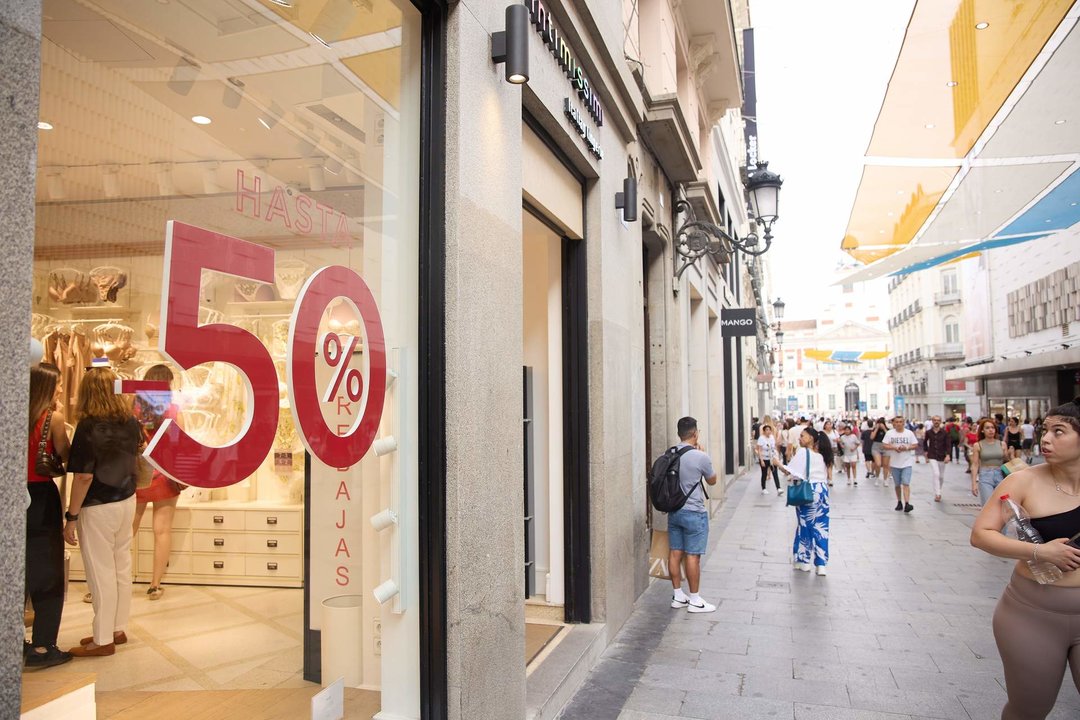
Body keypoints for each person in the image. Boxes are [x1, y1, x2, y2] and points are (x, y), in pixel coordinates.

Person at [969, 398, 1080, 720]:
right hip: (1030, 614)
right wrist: (1038, 550)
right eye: (1046, 430)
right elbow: (981, 534)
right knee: (1029, 708)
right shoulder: (1023, 480)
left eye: (1059, 432)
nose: (1046, 439)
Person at [63, 366, 143, 657]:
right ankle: (117, 628)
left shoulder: (88, 426)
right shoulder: (131, 422)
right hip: (126, 500)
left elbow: (83, 477)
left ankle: (102, 638)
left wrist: (71, 516)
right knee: (121, 566)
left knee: (100, 572)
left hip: (98, 505)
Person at [24, 364, 73, 669]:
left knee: (14, 573)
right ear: (45, 388)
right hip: (41, 498)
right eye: (55, 386)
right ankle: (43, 645)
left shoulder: (12, 414)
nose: (58, 391)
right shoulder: (53, 420)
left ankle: (14, 641)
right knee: (47, 572)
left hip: (12, 497)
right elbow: (68, 457)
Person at [131, 365, 182, 601]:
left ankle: (118, 577)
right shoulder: (173, 409)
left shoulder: (135, 409)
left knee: (127, 530)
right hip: (165, 473)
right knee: (162, 530)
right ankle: (154, 585)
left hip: (139, 473)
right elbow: (181, 442)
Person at [667, 417, 718, 614]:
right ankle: (695, 599)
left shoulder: (671, 453)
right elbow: (712, 480)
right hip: (694, 512)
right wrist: (702, 455)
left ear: (679, 433)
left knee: (675, 552)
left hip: (674, 511)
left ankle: (678, 596)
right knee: (692, 556)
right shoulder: (700, 457)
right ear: (695, 434)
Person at [773, 426, 832, 575]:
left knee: (805, 525)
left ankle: (804, 560)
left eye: (802, 436)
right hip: (823, 490)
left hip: (809, 491)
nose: (799, 438)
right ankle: (821, 564)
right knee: (821, 526)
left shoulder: (803, 452)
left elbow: (791, 472)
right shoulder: (821, 454)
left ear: (811, 438)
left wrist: (778, 464)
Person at [970, 417, 1009, 506]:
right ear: (982, 430)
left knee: (1003, 504)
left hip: (1000, 474)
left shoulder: (1002, 444)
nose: (991, 430)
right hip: (985, 475)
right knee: (988, 505)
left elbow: (1006, 461)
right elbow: (975, 465)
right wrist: (974, 484)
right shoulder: (978, 445)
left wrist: (1009, 454)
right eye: (987, 428)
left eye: (992, 427)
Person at [883, 416, 918, 512]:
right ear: (894, 423)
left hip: (907, 462)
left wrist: (906, 448)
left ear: (903, 423)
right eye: (896, 422)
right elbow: (885, 445)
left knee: (906, 483)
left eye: (900, 422)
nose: (898, 424)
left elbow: (915, 444)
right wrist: (894, 448)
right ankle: (899, 501)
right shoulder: (889, 433)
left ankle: (907, 503)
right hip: (894, 463)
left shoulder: (909, 433)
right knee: (897, 484)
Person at [923, 415, 953, 502]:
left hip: (942, 455)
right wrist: (925, 451)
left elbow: (948, 445)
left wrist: (948, 455)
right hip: (932, 455)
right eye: (935, 420)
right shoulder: (928, 432)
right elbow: (925, 442)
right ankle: (938, 493)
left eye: (938, 420)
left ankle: (938, 489)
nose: (936, 422)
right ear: (932, 421)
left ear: (940, 422)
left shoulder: (945, 433)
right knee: (936, 473)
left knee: (941, 476)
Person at [756, 424, 781, 496]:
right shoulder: (761, 438)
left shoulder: (772, 437)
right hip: (764, 458)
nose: (768, 431)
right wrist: (761, 460)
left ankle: (778, 488)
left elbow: (774, 448)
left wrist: (776, 457)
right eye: (766, 430)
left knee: (775, 473)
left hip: (771, 458)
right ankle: (763, 488)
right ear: (764, 431)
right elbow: (759, 450)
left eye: (769, 430)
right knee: (764, 474)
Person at [871, 417, 889, 486]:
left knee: (885, 465)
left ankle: (885, 479)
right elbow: (872, 437)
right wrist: (876, 428)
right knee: (878, 464)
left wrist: (884, 429)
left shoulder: (887, 430)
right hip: (876, 446)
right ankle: (877, 477)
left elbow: (890, 437)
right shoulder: (875, 429)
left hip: (885, 446)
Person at [822, 420, 839, 486]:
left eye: (830, 424)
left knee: (830, 464)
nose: (829, 426)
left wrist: (836, 440)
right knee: (825, 464)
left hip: (832, 449)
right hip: (824, 449)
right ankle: (827, 477)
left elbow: (839, 439)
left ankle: (830, 479)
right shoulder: (822, 432)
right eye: (827, 424)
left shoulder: (834, 432)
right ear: (825, 425)